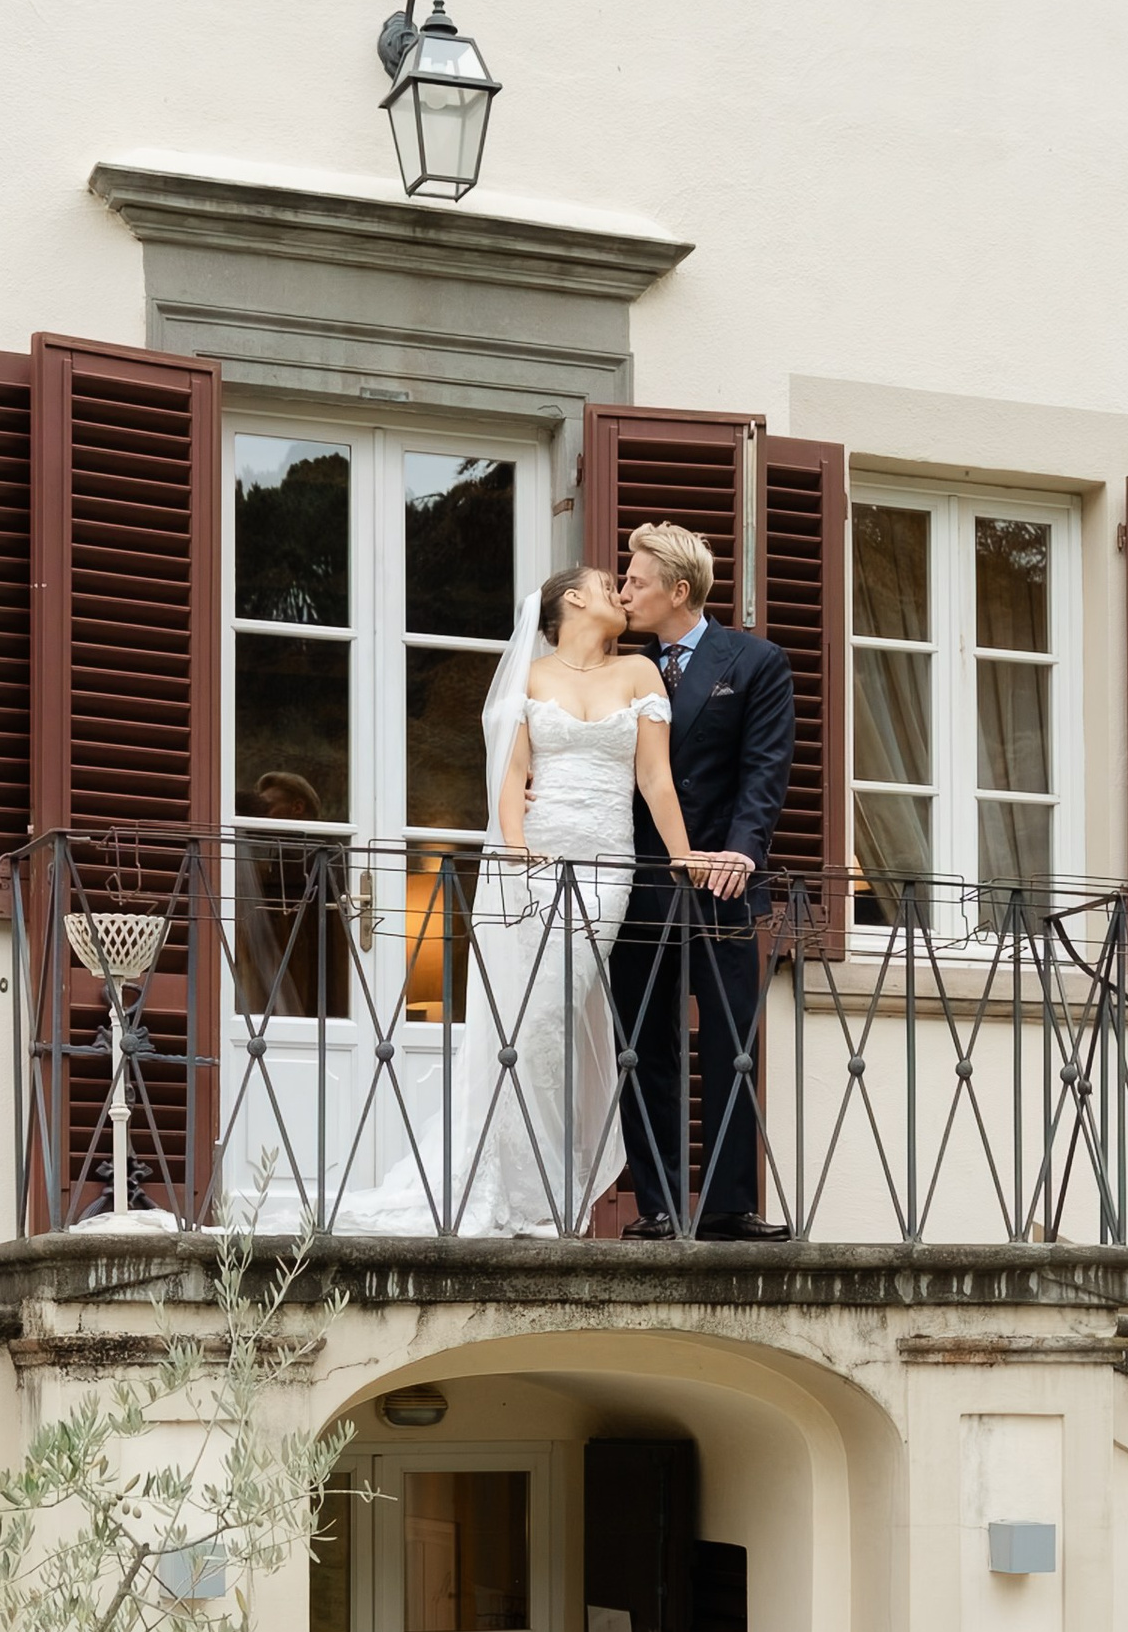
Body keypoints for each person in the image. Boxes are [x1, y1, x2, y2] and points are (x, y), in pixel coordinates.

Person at [337, 564, 711, 1234]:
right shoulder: (532, 679)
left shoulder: (639, 674)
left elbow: (654, 777)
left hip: (606, 866)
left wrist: (682, 853)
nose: (618, 593)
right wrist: (512, 843)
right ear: (571, 600)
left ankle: (539, 1187)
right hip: (535, 859)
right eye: (604, 584)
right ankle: (514, 1182)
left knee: (553, 1016)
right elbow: (511, 774)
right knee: (528, 1020)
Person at [609, 521, 795, 1240]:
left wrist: (742, 854)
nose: (625, 591)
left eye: (636, 580)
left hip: (721, 886)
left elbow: (764, 771)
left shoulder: (754, 661)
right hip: (641, 888)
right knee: (644, 1047)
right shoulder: (625, 669)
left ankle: (726, 1207)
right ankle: (656, 1205)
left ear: (678, 590)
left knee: (730, 1046)